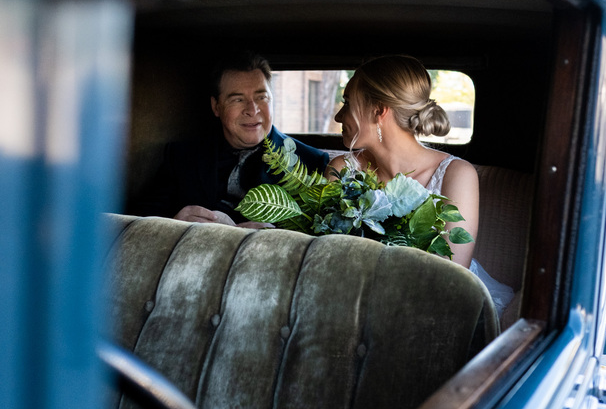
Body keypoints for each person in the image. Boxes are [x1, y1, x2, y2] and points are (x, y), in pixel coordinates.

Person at [326, 54, 513, 315]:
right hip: (356, 299)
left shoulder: (457, 175)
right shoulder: (342, 169)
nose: (338, 116)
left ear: (379, 110)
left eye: (347, 102)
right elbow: (329, 255)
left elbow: (451, 277)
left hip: (440, 303)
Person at [131, 51, 330, 227]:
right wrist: (173, 224)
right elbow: (137, 223)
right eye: (238, 99)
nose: (252, 110)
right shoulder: (181, 157)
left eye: (261, 97)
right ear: (216, 106)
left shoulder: (313, 163)